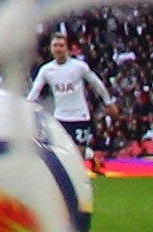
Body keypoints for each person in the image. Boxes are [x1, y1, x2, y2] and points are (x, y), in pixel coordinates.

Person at [27, 32, 112, 173]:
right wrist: (27, 107)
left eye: (61, 45)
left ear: (67, 48)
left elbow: (96, 83)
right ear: (51, 48)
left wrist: (108, 102)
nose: (58, 49)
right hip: (61, 117)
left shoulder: (79, 67)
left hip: (80, 116)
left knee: (78, 158)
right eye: (55, 46)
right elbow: (35, 90)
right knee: (63, 154)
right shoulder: (47, 70)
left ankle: (89, 157)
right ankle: (90, 159)